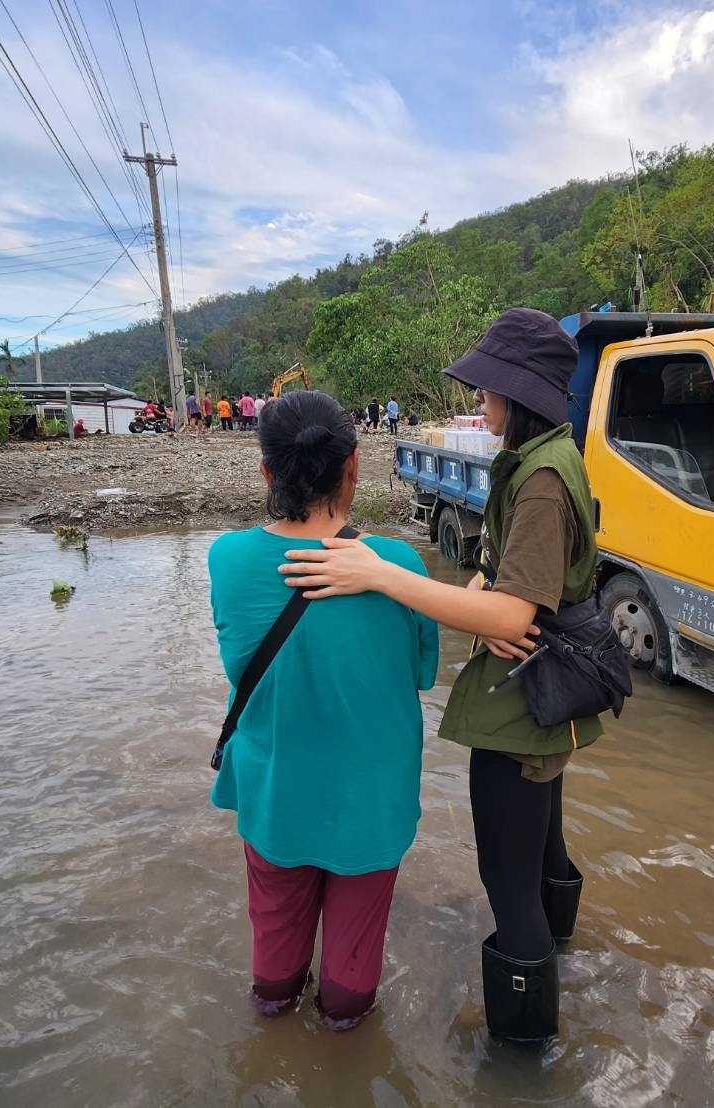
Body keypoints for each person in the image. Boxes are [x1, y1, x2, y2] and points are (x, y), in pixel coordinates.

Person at [279, 308, 601, 1043]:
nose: (479, 403)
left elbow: (513, 619)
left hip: (525, 704)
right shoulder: (550, 458)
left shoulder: (544, 478)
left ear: (519, 396)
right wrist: (484, 588)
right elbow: (511, 579)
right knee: (544, 847)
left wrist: (378, 574)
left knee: (507, 884)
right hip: (549, 698)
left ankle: (522, 1058)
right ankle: (565, 966)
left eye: (488, 392)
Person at [209, 390, 439, 1030]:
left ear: (266, 472)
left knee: (274, 968)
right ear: (354, 465)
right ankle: (343, 1043)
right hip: (372, 800)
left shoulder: (225, 558)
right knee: (349, 988)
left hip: (275, 787)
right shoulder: (397, 565)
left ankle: (271, 1028)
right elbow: (421, 674)